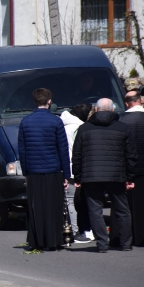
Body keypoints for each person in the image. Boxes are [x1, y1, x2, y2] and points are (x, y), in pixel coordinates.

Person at [72, 98, 137, 253]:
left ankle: (102, 243)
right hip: (116, 175)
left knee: (95, 210)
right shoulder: (122, 128)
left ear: (96, 109)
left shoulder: (84, 128)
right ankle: (126, 243)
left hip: (91, 175)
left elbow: (77, 155)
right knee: (122, 209)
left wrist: (78, 176)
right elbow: (131, 155)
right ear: (113, 110)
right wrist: (130, 177)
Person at [18, 88, 71, 251]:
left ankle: (37, 240)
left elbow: (23, 150)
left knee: (36, 206)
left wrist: (25, 172)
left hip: (33, 170)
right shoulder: (56, 121)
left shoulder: (25, 122)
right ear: (49, 102)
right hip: (53, 169)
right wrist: (66, 174)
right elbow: (63, 149)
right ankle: (53, 240)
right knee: (53, 206)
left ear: (35, 101)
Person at [119, 91, 144, 247]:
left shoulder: (121, 119)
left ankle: (129, 237)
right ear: (141, 101)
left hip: (127, 168)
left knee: (127, 207)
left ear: (127, 103)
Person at [60, 103, 93, 243]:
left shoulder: (64, 125)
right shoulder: (78, 128)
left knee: (70, 201)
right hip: (75, 168)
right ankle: (74, 232)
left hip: (67, 167)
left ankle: (74, 230)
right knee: (73, 201)